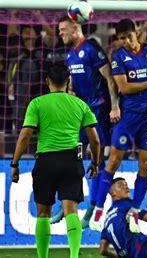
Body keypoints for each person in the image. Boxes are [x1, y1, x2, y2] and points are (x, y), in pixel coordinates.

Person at [10, 64, 101, 258]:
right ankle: (74, 255)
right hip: (72, 160)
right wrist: (95, 162)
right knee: (72, 211)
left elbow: (25, 135)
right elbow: (95, 140)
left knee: (43, 213)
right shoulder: (80, 104)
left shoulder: (37, 103)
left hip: (46, 161)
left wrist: (15, 164)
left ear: (46, 81)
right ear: (69, 81)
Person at [89, 19, 147, 233]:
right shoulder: (119, 56)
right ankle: (98, 209)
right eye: (121, 38)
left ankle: (134, 212)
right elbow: (124, 87)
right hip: (128, 116)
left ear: (137, 32)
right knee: (113, 161)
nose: (126, 41)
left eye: (128, 36)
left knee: (145, 166)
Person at [50, 16, 121, 227]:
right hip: (79, 114)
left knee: (97, 159)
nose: (60, 33)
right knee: (71, 155)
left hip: (98, 112)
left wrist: (115, 106)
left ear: (75, 28)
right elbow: (74, 82)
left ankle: (91, 208)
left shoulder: (91, 48)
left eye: (63, 29)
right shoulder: (70, 55)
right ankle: (66, 204)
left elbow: (109, 77)